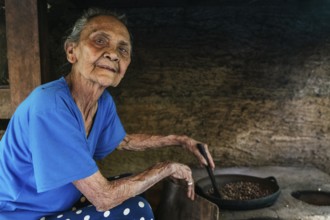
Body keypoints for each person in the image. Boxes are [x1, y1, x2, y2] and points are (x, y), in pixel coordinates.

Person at [0, 8, 215, 220]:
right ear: (71, 51)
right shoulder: (50, 107)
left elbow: (124, 140)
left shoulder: (101, 102)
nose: (113, 54)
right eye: (100, 41)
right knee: (137, 207)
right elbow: (104, 197)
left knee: (135, 185)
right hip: (23, 215)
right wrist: (167, 168)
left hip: (60, 205)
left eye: (123, 49)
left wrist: (180, 141)